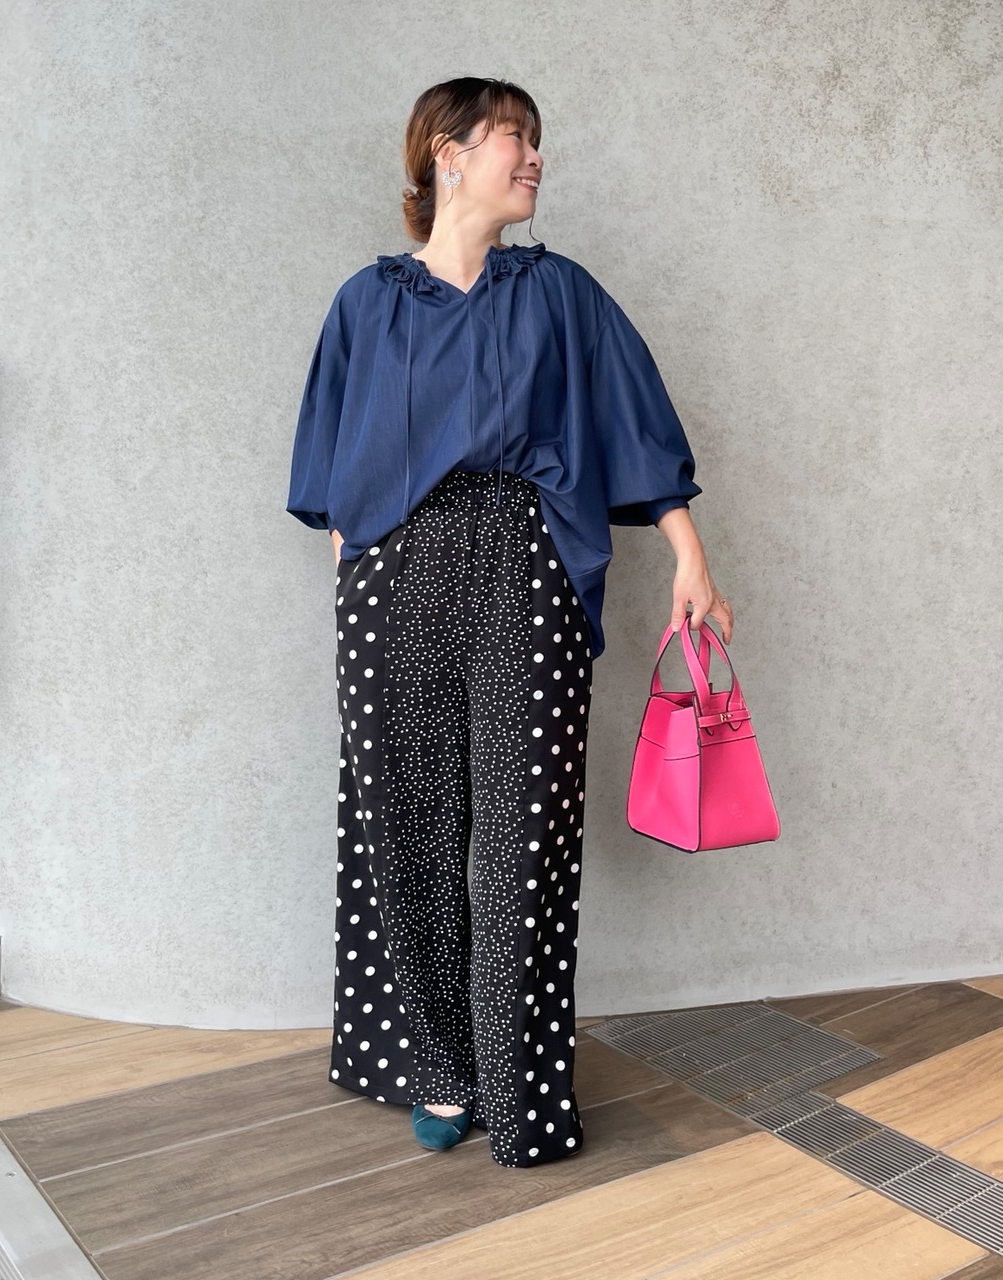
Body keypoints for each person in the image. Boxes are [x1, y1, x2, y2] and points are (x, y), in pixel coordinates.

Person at [286, 76, 732, 1169]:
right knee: (408, 830)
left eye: (536, 141)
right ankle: (441, 1068)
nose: (534, 158)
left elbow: (631, 422)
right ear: (447, 153)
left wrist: (688, 556)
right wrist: (356, 559)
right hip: (396, 577)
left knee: (524, 838)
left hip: (525, 565)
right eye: (514, 138)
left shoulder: (558, 293)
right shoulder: (366, 303)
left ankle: (522, 1088)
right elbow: (330, 466)